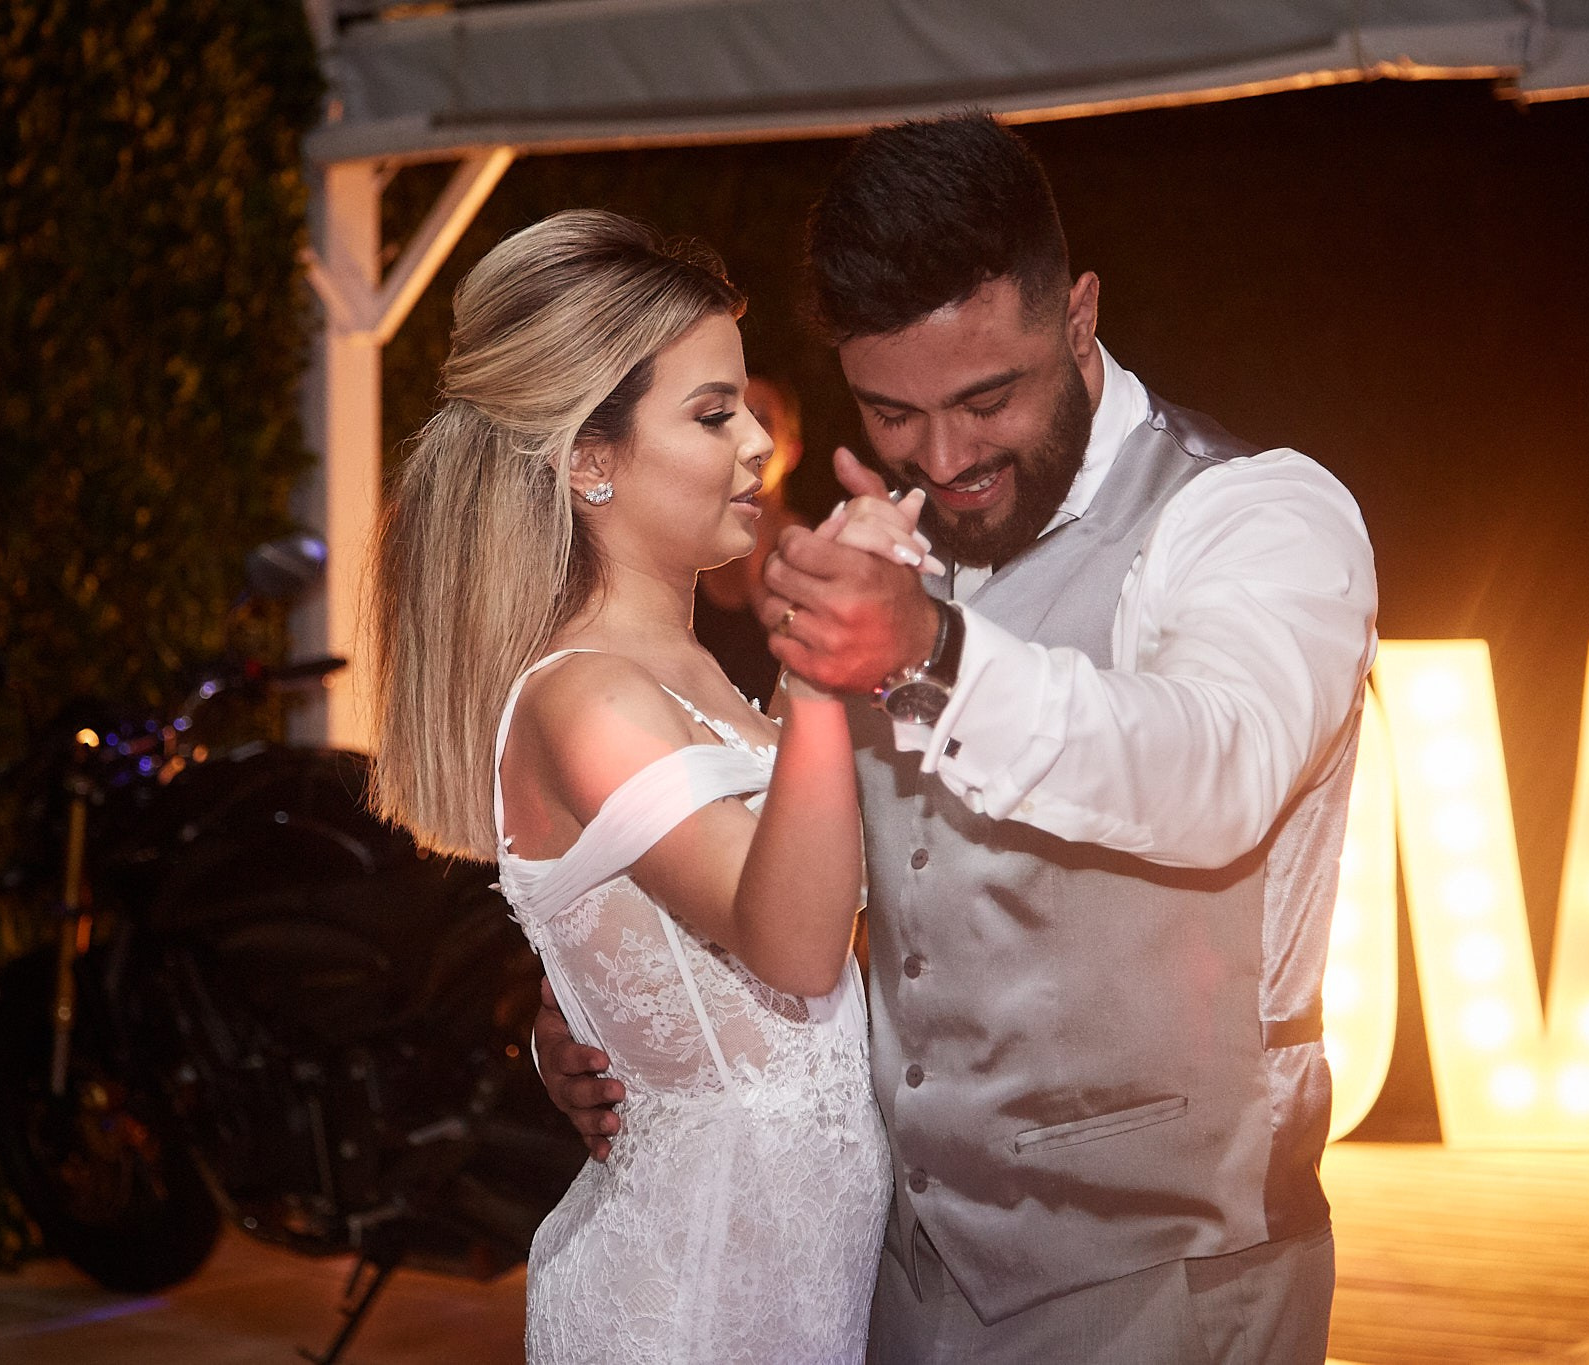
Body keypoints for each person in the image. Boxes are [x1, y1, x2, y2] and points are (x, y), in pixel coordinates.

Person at [536, 115, 1378, 1363]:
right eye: (892, 411)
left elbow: (1214, 769)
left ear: (1079, 318)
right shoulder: (885, 543)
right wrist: (602, 1013)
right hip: (892, 1278)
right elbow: (774, 873)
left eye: (988, 399)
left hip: (1164, 1278)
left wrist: (927, 652)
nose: (943, 456)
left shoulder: (1250, 514)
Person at [366, 210, 938, 1363]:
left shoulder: (697, 678)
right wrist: (819, 669)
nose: (756, 444)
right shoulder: (584, 696)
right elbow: (791, 944)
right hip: (687, 1307)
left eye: (748, 410)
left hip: (791, 1293)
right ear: (589, 460)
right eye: (713, 414)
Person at [692, 376, 809, 708]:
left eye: (761, 419)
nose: (745, 437)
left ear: (792, 451)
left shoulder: (812, 549)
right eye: (723, 418)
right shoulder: (690, 546)